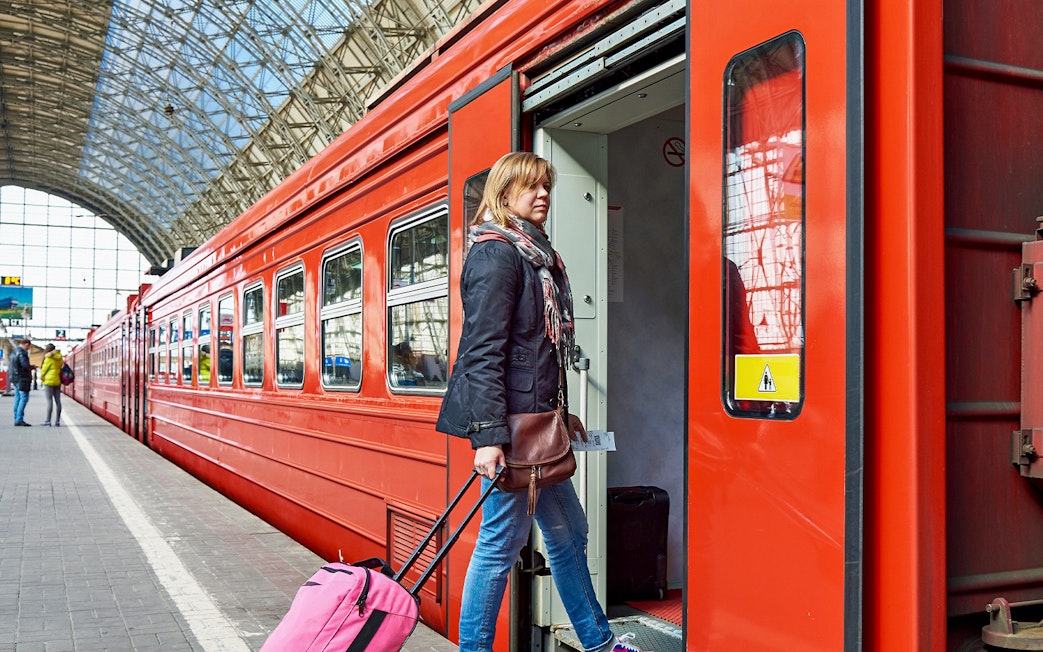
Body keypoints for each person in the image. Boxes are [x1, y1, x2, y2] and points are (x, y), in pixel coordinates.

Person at [435, 152, 648, 652]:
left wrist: (559, 414)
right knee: (498, 547)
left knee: (569, 533)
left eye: (547, 186)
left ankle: (597, 641)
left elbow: (535, 351)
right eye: (532, 186)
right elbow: (483, 352)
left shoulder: (535, 253)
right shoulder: (497, 255)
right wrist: (488, 438)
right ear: (504, 193)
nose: (544, 194)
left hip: (536, 428)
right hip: (510, 435)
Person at [39, 343, 63, 426]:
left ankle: (48, 421)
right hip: (57, 381)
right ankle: (57, 421)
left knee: (49, 401)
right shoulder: (59, 358)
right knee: (58, 401)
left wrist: (41, 376)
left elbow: (44, 370)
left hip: (48, 382)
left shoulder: (48, 358)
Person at [10, 338, 33, 426]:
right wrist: (32, 367)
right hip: (22, 378)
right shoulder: (22, 353)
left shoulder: (13, 352)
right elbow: (25, 365)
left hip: (15, 378)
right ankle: (19, 419)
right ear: (26, 344)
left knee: (17, 398)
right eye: (29, 346)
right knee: (24, 398)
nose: (29, 348)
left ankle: (16, 418)